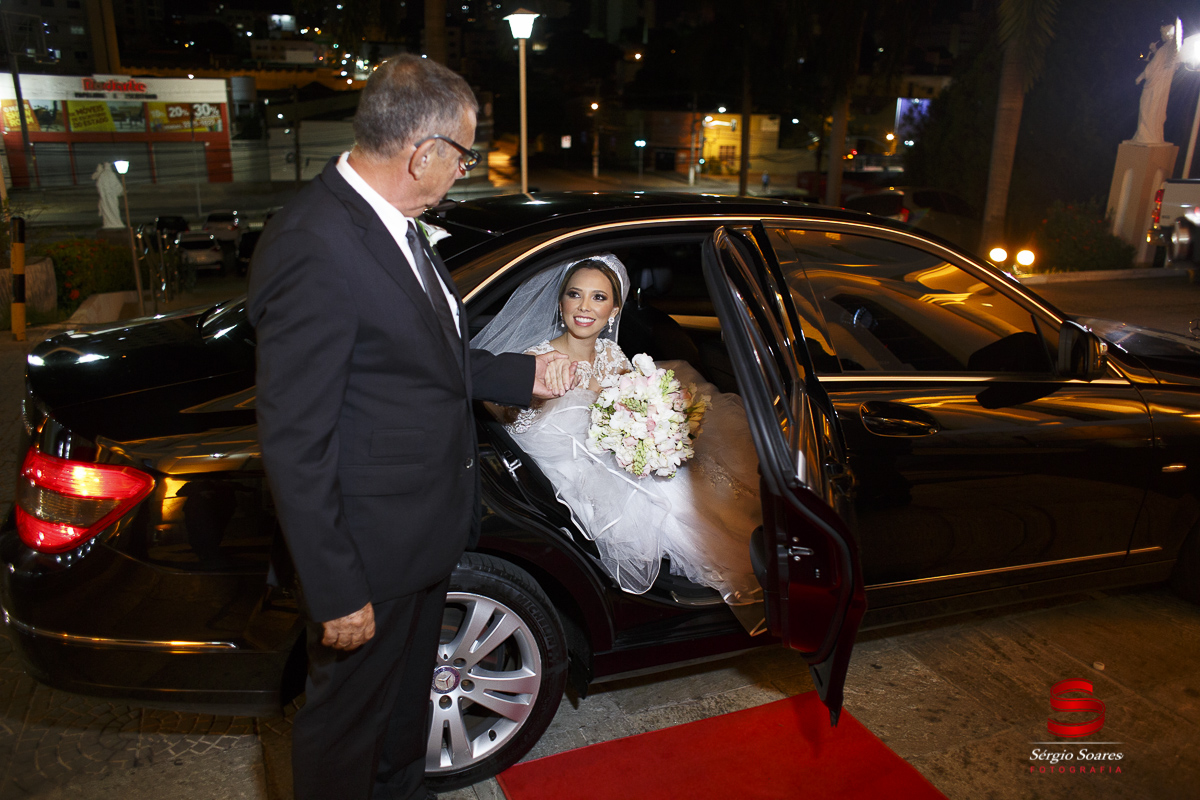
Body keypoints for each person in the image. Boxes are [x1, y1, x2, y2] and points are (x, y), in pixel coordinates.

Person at [247, 55, 571, 800]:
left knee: (399, 722)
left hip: (421, 539)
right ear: (422, 152)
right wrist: (335, 589)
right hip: (367, 556)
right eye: (463, 154)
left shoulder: (389, 224)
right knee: (344, 733)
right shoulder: (315, 242)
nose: (465, 171)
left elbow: (427, 354)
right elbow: (296, 440)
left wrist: (526, 375)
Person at [473, 254, 765, 624]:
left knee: (700, 473)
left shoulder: (611, 352)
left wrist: (657, 430)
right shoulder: (539, 361)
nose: (583, 307)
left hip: (619, 452)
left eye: (598, 298)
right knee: (673, 493)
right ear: (560, 302)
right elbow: (518, 425)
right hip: (570, 467)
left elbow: (633, 399)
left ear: (613, 310)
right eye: (574, 295)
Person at [1133, 21, 1179, 145]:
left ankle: (1147, 135)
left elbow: (1154, 66)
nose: (1161, 36)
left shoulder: (1169, 48)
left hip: (1156, 86)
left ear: (1167, 34)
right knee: (1148, 108)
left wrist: (1141, 76)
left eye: (1163, 33)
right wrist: (1154, 51)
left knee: (1149, 108)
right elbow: (1160, 62)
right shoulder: (1165, 48)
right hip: (1156, 84)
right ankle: (1145, 134)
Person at [91, 162, 123, 229]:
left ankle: (110, 223)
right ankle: (114, 223)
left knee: (108, 210)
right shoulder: (110, 174)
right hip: (111, 196)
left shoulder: (102, 176)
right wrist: (121, 191)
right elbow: (117, 186)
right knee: (113, 209)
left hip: (105, 197)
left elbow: (98, 185)